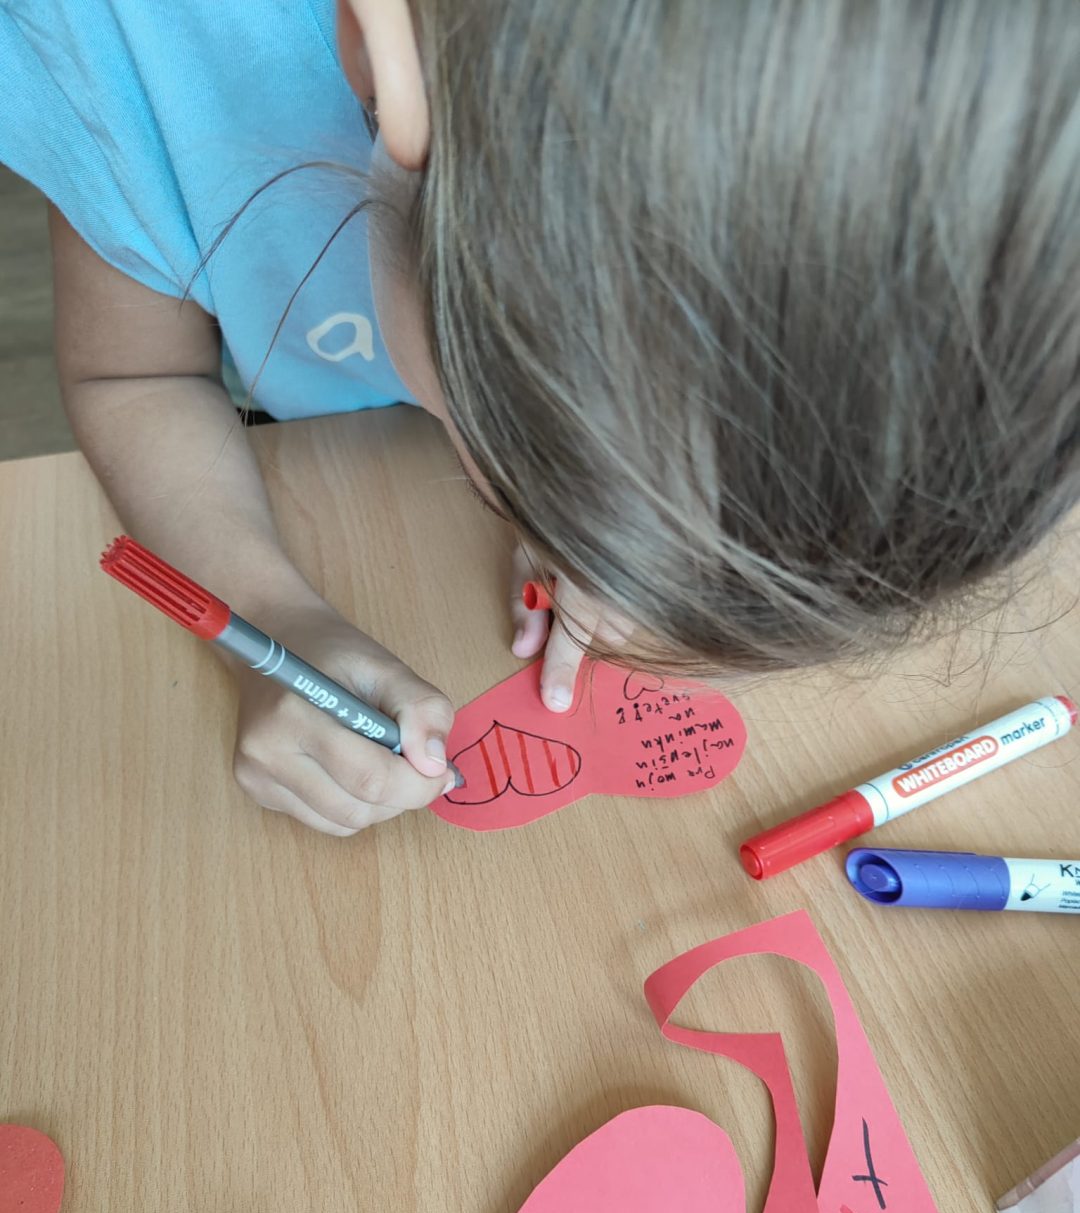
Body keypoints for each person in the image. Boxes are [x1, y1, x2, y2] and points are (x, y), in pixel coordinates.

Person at [4, 1, 1080, 836]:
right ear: (382, 66)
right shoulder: (130, 43)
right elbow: (133, 378)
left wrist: (623, 523)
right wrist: (267, 619)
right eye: (520, 469)